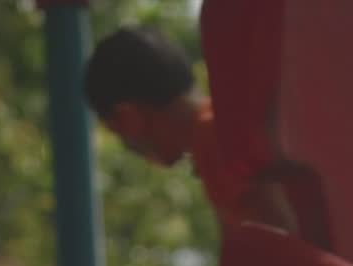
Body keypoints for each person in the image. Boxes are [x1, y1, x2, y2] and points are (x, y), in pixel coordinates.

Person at [82, 25, 296, 232]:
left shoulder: (213, 140)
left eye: (117, 130)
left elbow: (282, 240)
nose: (127, 145)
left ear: (128, 117)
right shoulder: (222, 123)